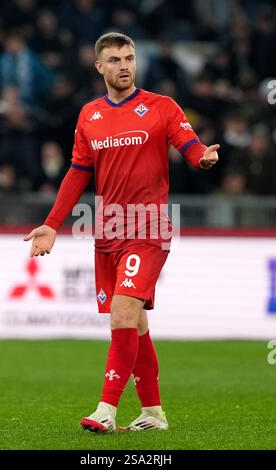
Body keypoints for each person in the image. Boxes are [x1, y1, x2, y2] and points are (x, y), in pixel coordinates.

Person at [24, 32, 219, 433]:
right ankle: (153, 413)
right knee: (138, 325)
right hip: (108, 231)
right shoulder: (89, 115)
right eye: (114, 60)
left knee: (121, 315)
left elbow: (188, 141)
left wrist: (202, 157)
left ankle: (106, 410)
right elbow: (78, 171)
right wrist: (52, 223)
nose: (124, 65)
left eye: (129, 57)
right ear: (99, 67)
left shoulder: (160, 106)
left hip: (148, 228)